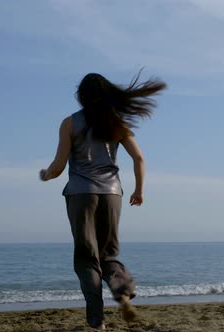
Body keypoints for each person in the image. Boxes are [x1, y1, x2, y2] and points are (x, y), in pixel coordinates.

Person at [39, 71, 166, 330]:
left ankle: (98, 322)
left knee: (87, 258)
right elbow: (139, 159)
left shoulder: (70, 123)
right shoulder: (116, 123)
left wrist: (45, 175)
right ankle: (122, 293)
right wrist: (139, 190)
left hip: (79, 193)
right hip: (112, 193)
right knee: (108, 254)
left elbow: (59, 166)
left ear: (81, 97)